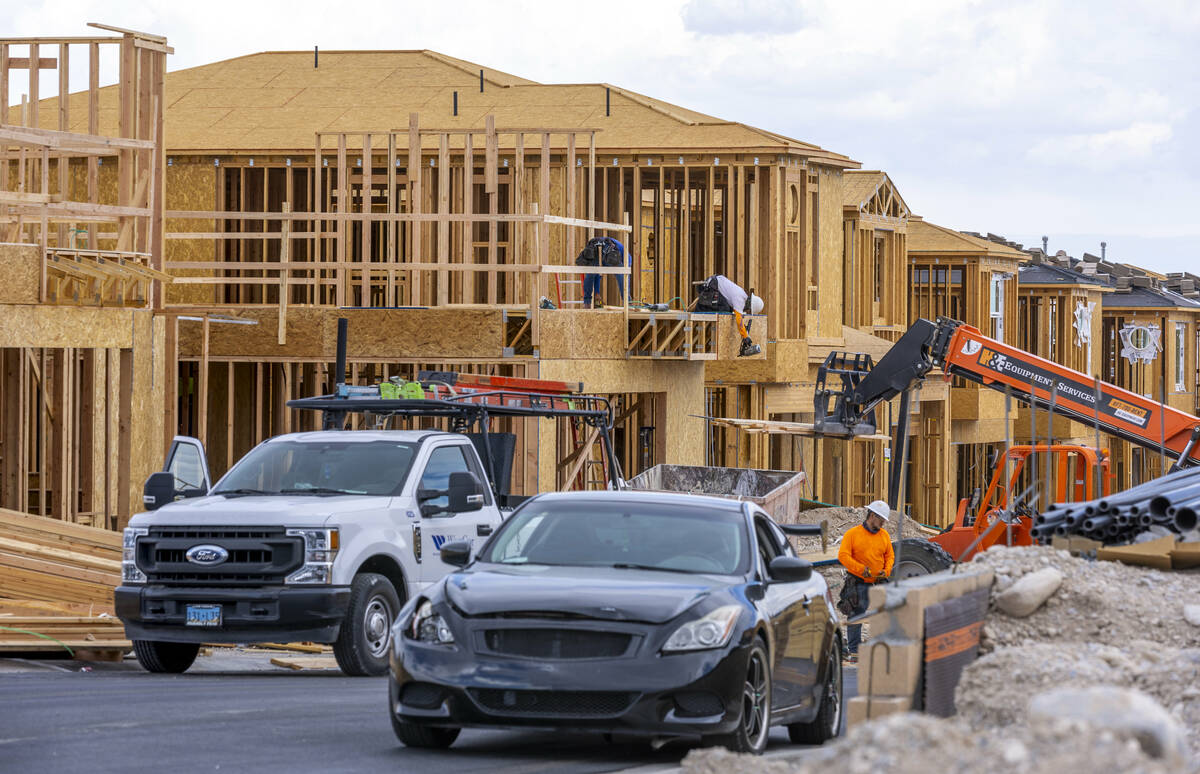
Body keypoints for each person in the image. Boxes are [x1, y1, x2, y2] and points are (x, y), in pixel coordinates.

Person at [836, 499, 894, 664]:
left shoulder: (884, 536)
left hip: (879, 580)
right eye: (881, 520)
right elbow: (843, 556)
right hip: (859, 581)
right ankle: (854, 651)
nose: (882, 524)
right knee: (857, 614)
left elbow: (889, 555)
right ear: (872, 515)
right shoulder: (853, 534)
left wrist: (887, 570)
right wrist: (861, 569)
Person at [692, 274, 764, 356]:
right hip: (712, 286)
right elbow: (739, 320)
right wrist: (745, 336)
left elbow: (737, 315)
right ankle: (699, 313)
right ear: (749, 305)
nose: (747, 310)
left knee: (728, 309)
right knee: (724, 310)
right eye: (749, 309)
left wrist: (745, 333)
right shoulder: (740, 301)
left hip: (714, 283)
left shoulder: (742, 295)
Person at [579, 236, 630, 308]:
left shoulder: (621, 254)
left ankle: (587, 303)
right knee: (622, 275)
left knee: (591, 272)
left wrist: (597, 292)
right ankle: (627, 302)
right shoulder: (625, 258)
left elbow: (596, 274)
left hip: (595, 244)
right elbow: (624, 279)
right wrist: (628, 297)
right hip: (607, 246)